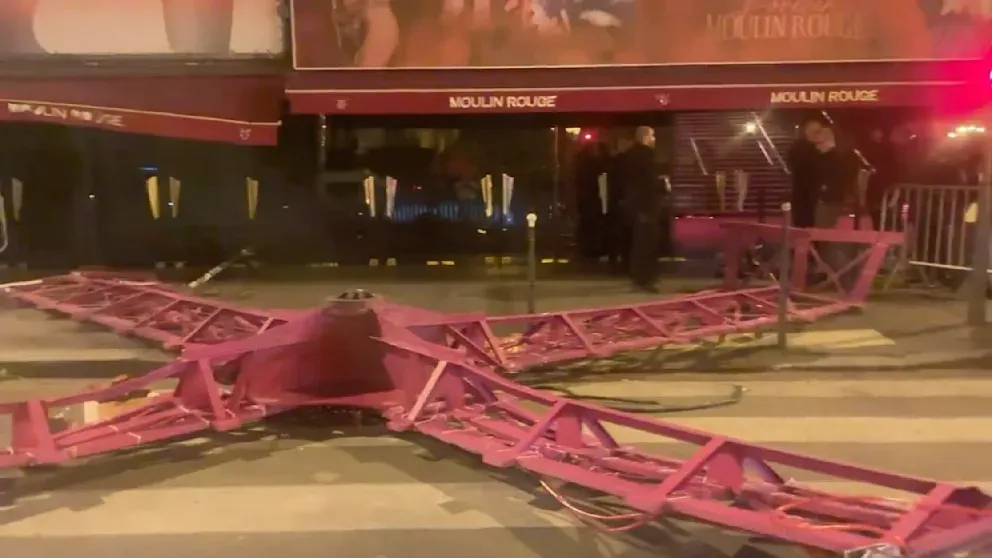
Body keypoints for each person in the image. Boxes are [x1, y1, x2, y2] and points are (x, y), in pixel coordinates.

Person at [625, 126, 663, 293]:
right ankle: (645, 279)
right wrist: (662, 184)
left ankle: (638, 277)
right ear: (645, 137)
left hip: (637, 206)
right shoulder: (645, 154)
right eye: (652, 136)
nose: (654, 139)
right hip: (646, 206)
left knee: (639, 243)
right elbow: (647, 181)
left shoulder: (629, 155)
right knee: (647, 243)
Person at [787, 119, 824, 228]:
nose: (817, 134)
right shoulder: (802, 148)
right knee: (804, 224)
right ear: (807, 131)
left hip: (816, 195)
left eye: (818, 131)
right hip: (804, 194)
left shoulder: (819, 148)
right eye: (814, 131)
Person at [860, 128, 898, 230]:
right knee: (877, 216)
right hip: (875, 186)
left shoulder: (886, 149)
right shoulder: (871, 149)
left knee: (881, 216)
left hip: (881, 185)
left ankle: (881, 233)